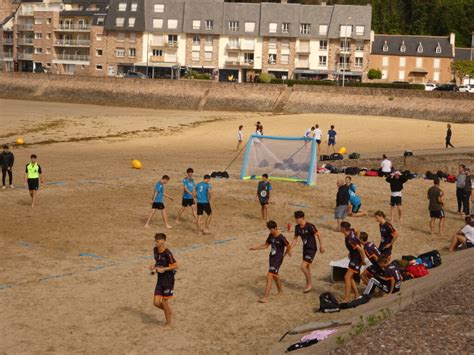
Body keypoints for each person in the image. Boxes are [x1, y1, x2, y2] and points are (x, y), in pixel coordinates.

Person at [249, 220, 291, 303]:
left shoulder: (281, 237)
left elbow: (288, 246)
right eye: (269, 229)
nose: (270, 231)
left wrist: (285, 255)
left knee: (269, 276)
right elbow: (266, 245)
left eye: (271, 229)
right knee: (275, 275)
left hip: (278, 259)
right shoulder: (270, 235)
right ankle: (280, 291)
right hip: (272, 258)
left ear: (276, 228)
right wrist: (255, 248)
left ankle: (265, 297)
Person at [149, 233, 178, 327]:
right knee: (156, 303)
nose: (155, 242)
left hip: (168, 280)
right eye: (155, 240)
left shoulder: (167, 253)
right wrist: (154, 266)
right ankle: (168, 311)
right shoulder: (155, 250)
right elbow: (158, 261)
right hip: (160, 279)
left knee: (165, 302)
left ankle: (168, 323)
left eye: (157, 241)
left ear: (163, 241)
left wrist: (163, 269)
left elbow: (175, 265)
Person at [291, 211, 325, 293]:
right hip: (305, 248)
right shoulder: (297, 227)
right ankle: (308, 284)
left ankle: (309, 284)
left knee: (303, 266)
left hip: (312, 248)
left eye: (297, 218)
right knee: (307, 267)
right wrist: (290, 248)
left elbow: (318, 235)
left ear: (302, 218)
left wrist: (321, 246)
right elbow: (295, 239)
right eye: (295, 218)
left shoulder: (309, 226)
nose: (296, 220)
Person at [340, 221, 366, 303]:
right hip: (353, 257)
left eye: (340, 227)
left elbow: (361, 250)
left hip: (356, 259)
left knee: (347, 277)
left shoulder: (350, 239)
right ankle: (357, 294)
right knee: (350, 277)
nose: (339, 228)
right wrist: (351, 251)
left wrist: (363, 260)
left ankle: (346, 299)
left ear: (344, 229)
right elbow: (358, 230)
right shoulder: (351, 231)